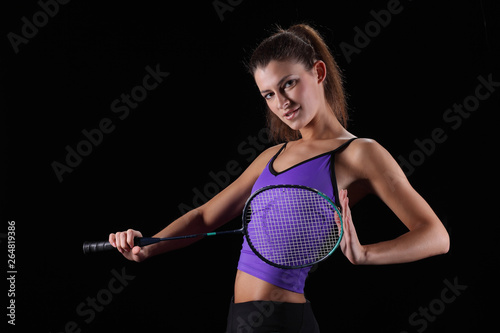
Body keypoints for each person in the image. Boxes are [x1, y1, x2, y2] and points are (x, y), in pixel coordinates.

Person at [109, 23, 450, 332]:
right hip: (239, 320)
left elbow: (436, 236)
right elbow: (204, 216)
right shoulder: (271, 157)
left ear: (318, 72)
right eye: (269, 94)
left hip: (282, 323)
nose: (281, 103)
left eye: (289, 84)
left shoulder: (359, 153)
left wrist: (365, 254)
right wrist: (147, 246)